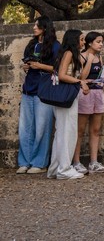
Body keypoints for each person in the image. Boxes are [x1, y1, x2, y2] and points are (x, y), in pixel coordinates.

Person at [17, 16, 60, 175]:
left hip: (44, 90)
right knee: (25, 128)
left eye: (37, 25)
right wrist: (26, 66)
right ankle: (24, 162)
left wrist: (39, 65)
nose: (34, 28)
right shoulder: (32, 44)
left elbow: (58, 68)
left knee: (42, 127)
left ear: (45, 27)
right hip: (29, 88)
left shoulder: (55, 46)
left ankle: (39, 162)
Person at [48, 29, 87, 180]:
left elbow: (76, 75)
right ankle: (64, 169)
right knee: (67, 132)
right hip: (66, 96)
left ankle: (55, 168)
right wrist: (80, 82)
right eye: (81, 39)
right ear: (74, 40)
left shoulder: (71, 54)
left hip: (66, 96)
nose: (83, 42)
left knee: (62, 132)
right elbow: (63, 75)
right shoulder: (69, 53)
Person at [73, 31, 104, 174]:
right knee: (80, 130)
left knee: (95, 130)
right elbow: (81, 77)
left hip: (98, 93)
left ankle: (93, 162)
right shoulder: (81, 57)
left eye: (101, 41)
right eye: (98, 41)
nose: (101, 44)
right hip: (84, 94)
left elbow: (99, 78)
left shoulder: (99, 58)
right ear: (90, 43)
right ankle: (76, 162)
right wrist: (89, 60)